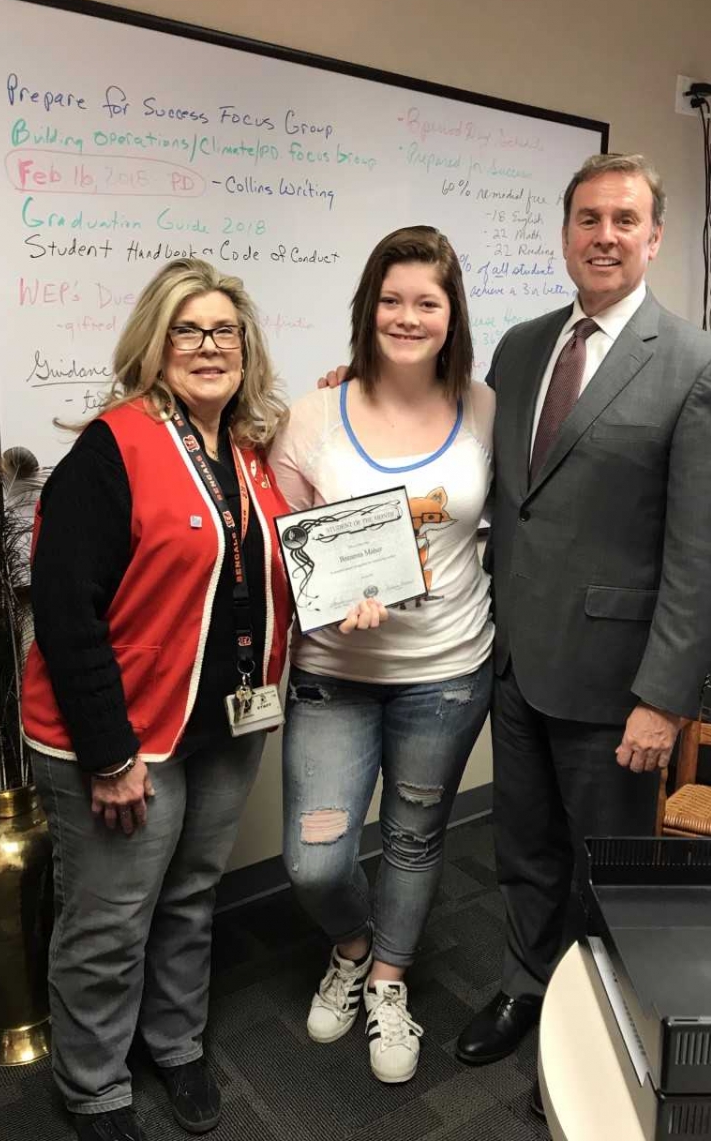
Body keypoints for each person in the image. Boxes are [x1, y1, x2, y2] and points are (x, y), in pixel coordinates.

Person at [452, 153, 711, 1111]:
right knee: (523, 847)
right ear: (566, 232)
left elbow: (702, 559)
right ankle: (528, 987)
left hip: (620, 684)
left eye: (626, 219)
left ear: (655, 236)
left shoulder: (699, 366)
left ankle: (596, 1036)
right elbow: (495, 482)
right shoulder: (521, 347)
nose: (605, 235)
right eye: (588, 219)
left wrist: (665, 699)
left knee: (606, 869)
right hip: (519, 659)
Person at [21, 259, 293, 1141]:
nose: (210, 347)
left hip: (220, 722)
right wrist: (107, 753)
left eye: (226, 331)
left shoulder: (246, 449)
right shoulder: (113, 448)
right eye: (190, 330)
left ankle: (173, 1043)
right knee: (108, 921)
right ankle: (94, 1084)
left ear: (246, 347)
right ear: (156, 343)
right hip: (122, 737)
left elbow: (253, 574)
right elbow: (64, 613)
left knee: (190, 897)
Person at [269, 225, 494, 1084]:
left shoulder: (484, 406)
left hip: (447, 669)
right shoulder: (313, 415)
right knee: (315, 859)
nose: (407, 317)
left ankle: (391, 980)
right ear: (369, 307)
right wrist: (330, 596)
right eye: (391, 300)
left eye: (426, 302)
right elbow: (284, 547)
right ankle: (353, 946)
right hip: (337, 677)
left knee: (412, 836)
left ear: (450, 313)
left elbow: (505, 521)